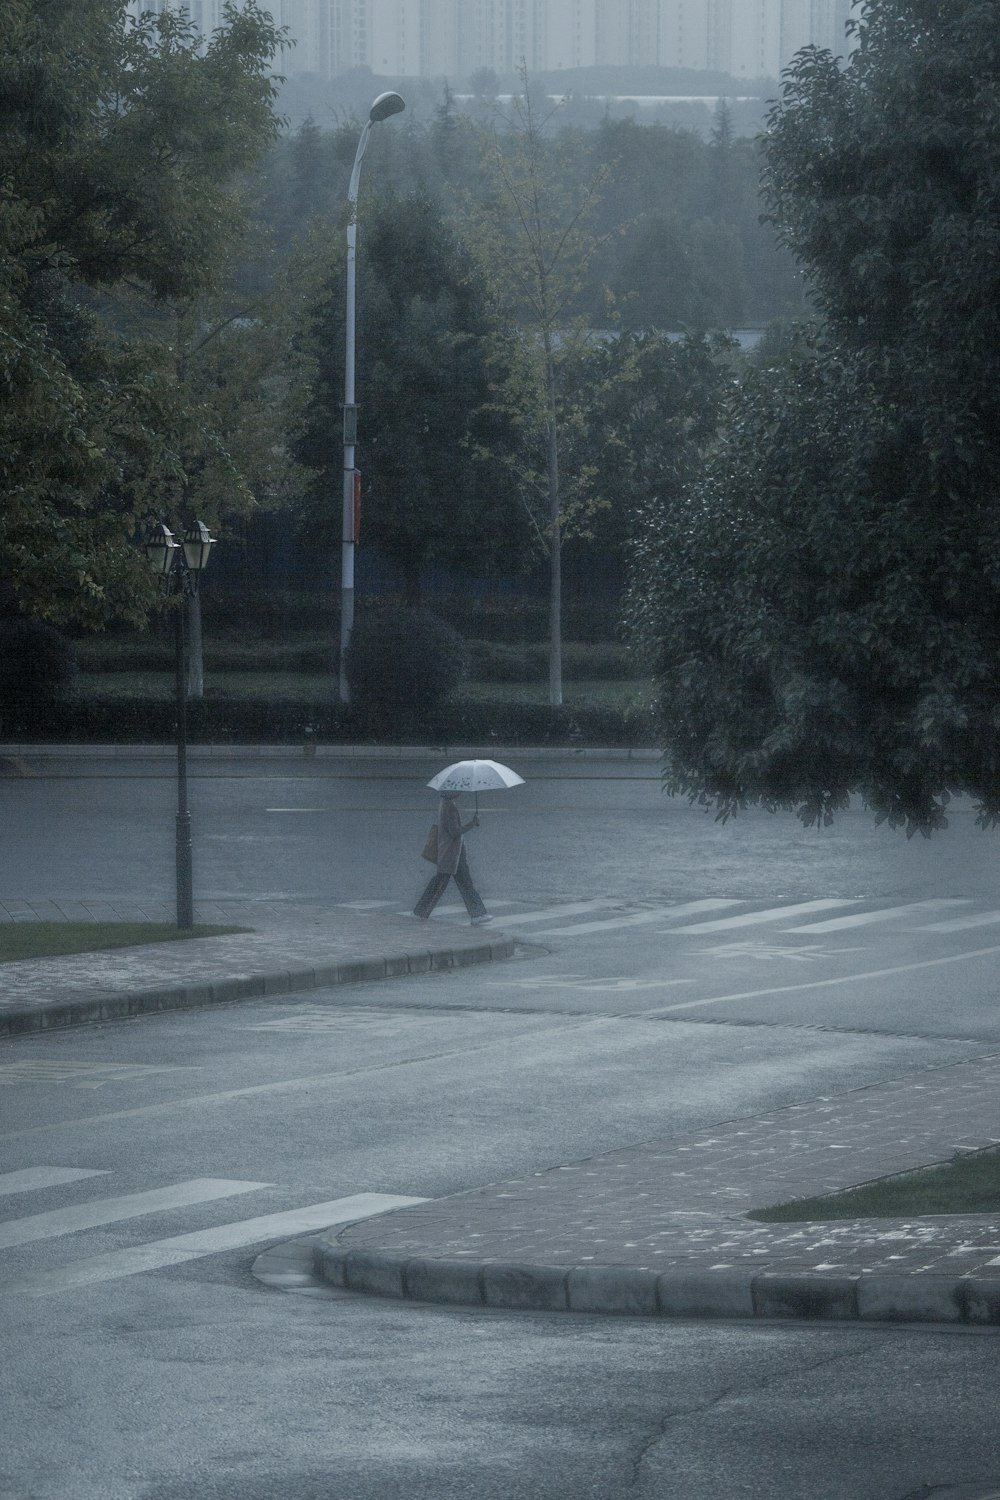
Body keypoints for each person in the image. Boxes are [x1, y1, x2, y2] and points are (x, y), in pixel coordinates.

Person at [413, 792, 492, 924]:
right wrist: (472, 824)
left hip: (455, 852)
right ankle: (419, 912)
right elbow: (454, 832)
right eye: (458, 790)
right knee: (441, 883)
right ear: (450, 791)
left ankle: (477, 914)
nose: (461, 793)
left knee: (464, 883)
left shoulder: (446, 802)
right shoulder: (449, 806)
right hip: (451, 853)